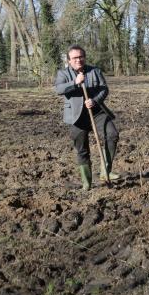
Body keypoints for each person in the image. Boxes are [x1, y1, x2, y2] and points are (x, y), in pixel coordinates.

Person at [54, 44, 120, 190]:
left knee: (112, 135)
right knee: (82, 149)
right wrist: (75, 83)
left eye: (81, 57)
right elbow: (58, 89)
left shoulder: (95, 71)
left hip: (97, 112)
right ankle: (86, 182)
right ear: (69, 60)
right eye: (75, 58)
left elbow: (104, 89)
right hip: (76, 117)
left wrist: (95, 100)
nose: (78, 60)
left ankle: (105, 171)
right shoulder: (63, 74)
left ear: (84, 57)